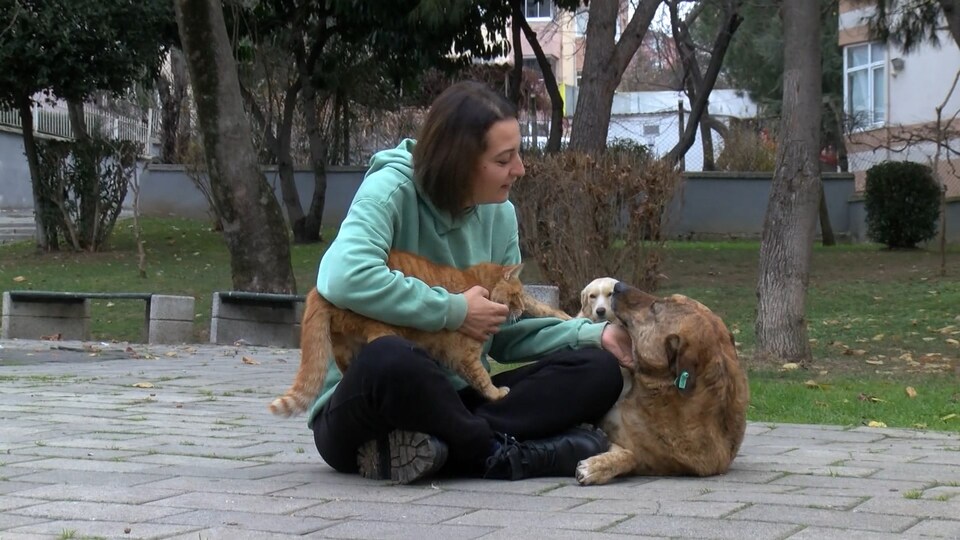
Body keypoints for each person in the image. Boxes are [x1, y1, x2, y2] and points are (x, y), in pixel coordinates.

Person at [308, 80, 633, 484]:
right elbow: (341, 276)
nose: (520, 169)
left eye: (518, 156)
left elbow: (507, 328)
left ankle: (441, 449)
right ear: (459, 162)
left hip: (460, 397)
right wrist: (455, 310)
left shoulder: (501, 216)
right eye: (504, 160)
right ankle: (508, 453)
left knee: (598, 370)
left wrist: (592, 335)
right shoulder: (389, 190)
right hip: (367, 406)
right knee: (390, 358)